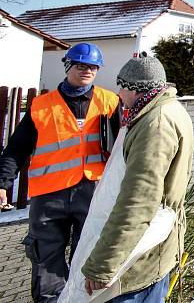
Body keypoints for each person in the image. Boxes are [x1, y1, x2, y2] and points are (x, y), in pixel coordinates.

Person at [0, 42, 119, 302]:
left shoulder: (110, 102)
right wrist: (2, 182)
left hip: (92, 191)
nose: (86, 71)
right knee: (46, 258)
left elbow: (125, 146)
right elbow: (16, 149)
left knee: (87, 255)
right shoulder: (41, 106)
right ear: (68, 66)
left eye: (93, 67)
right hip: (48, 196)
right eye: (80, 65)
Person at [81, 55, 194, 303]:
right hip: (151, 254)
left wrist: (103, 264)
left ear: (139, 88)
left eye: (123, 86)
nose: (119, 93)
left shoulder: (156, 124)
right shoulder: (163, 110)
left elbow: (139, 202)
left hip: (139, 261)